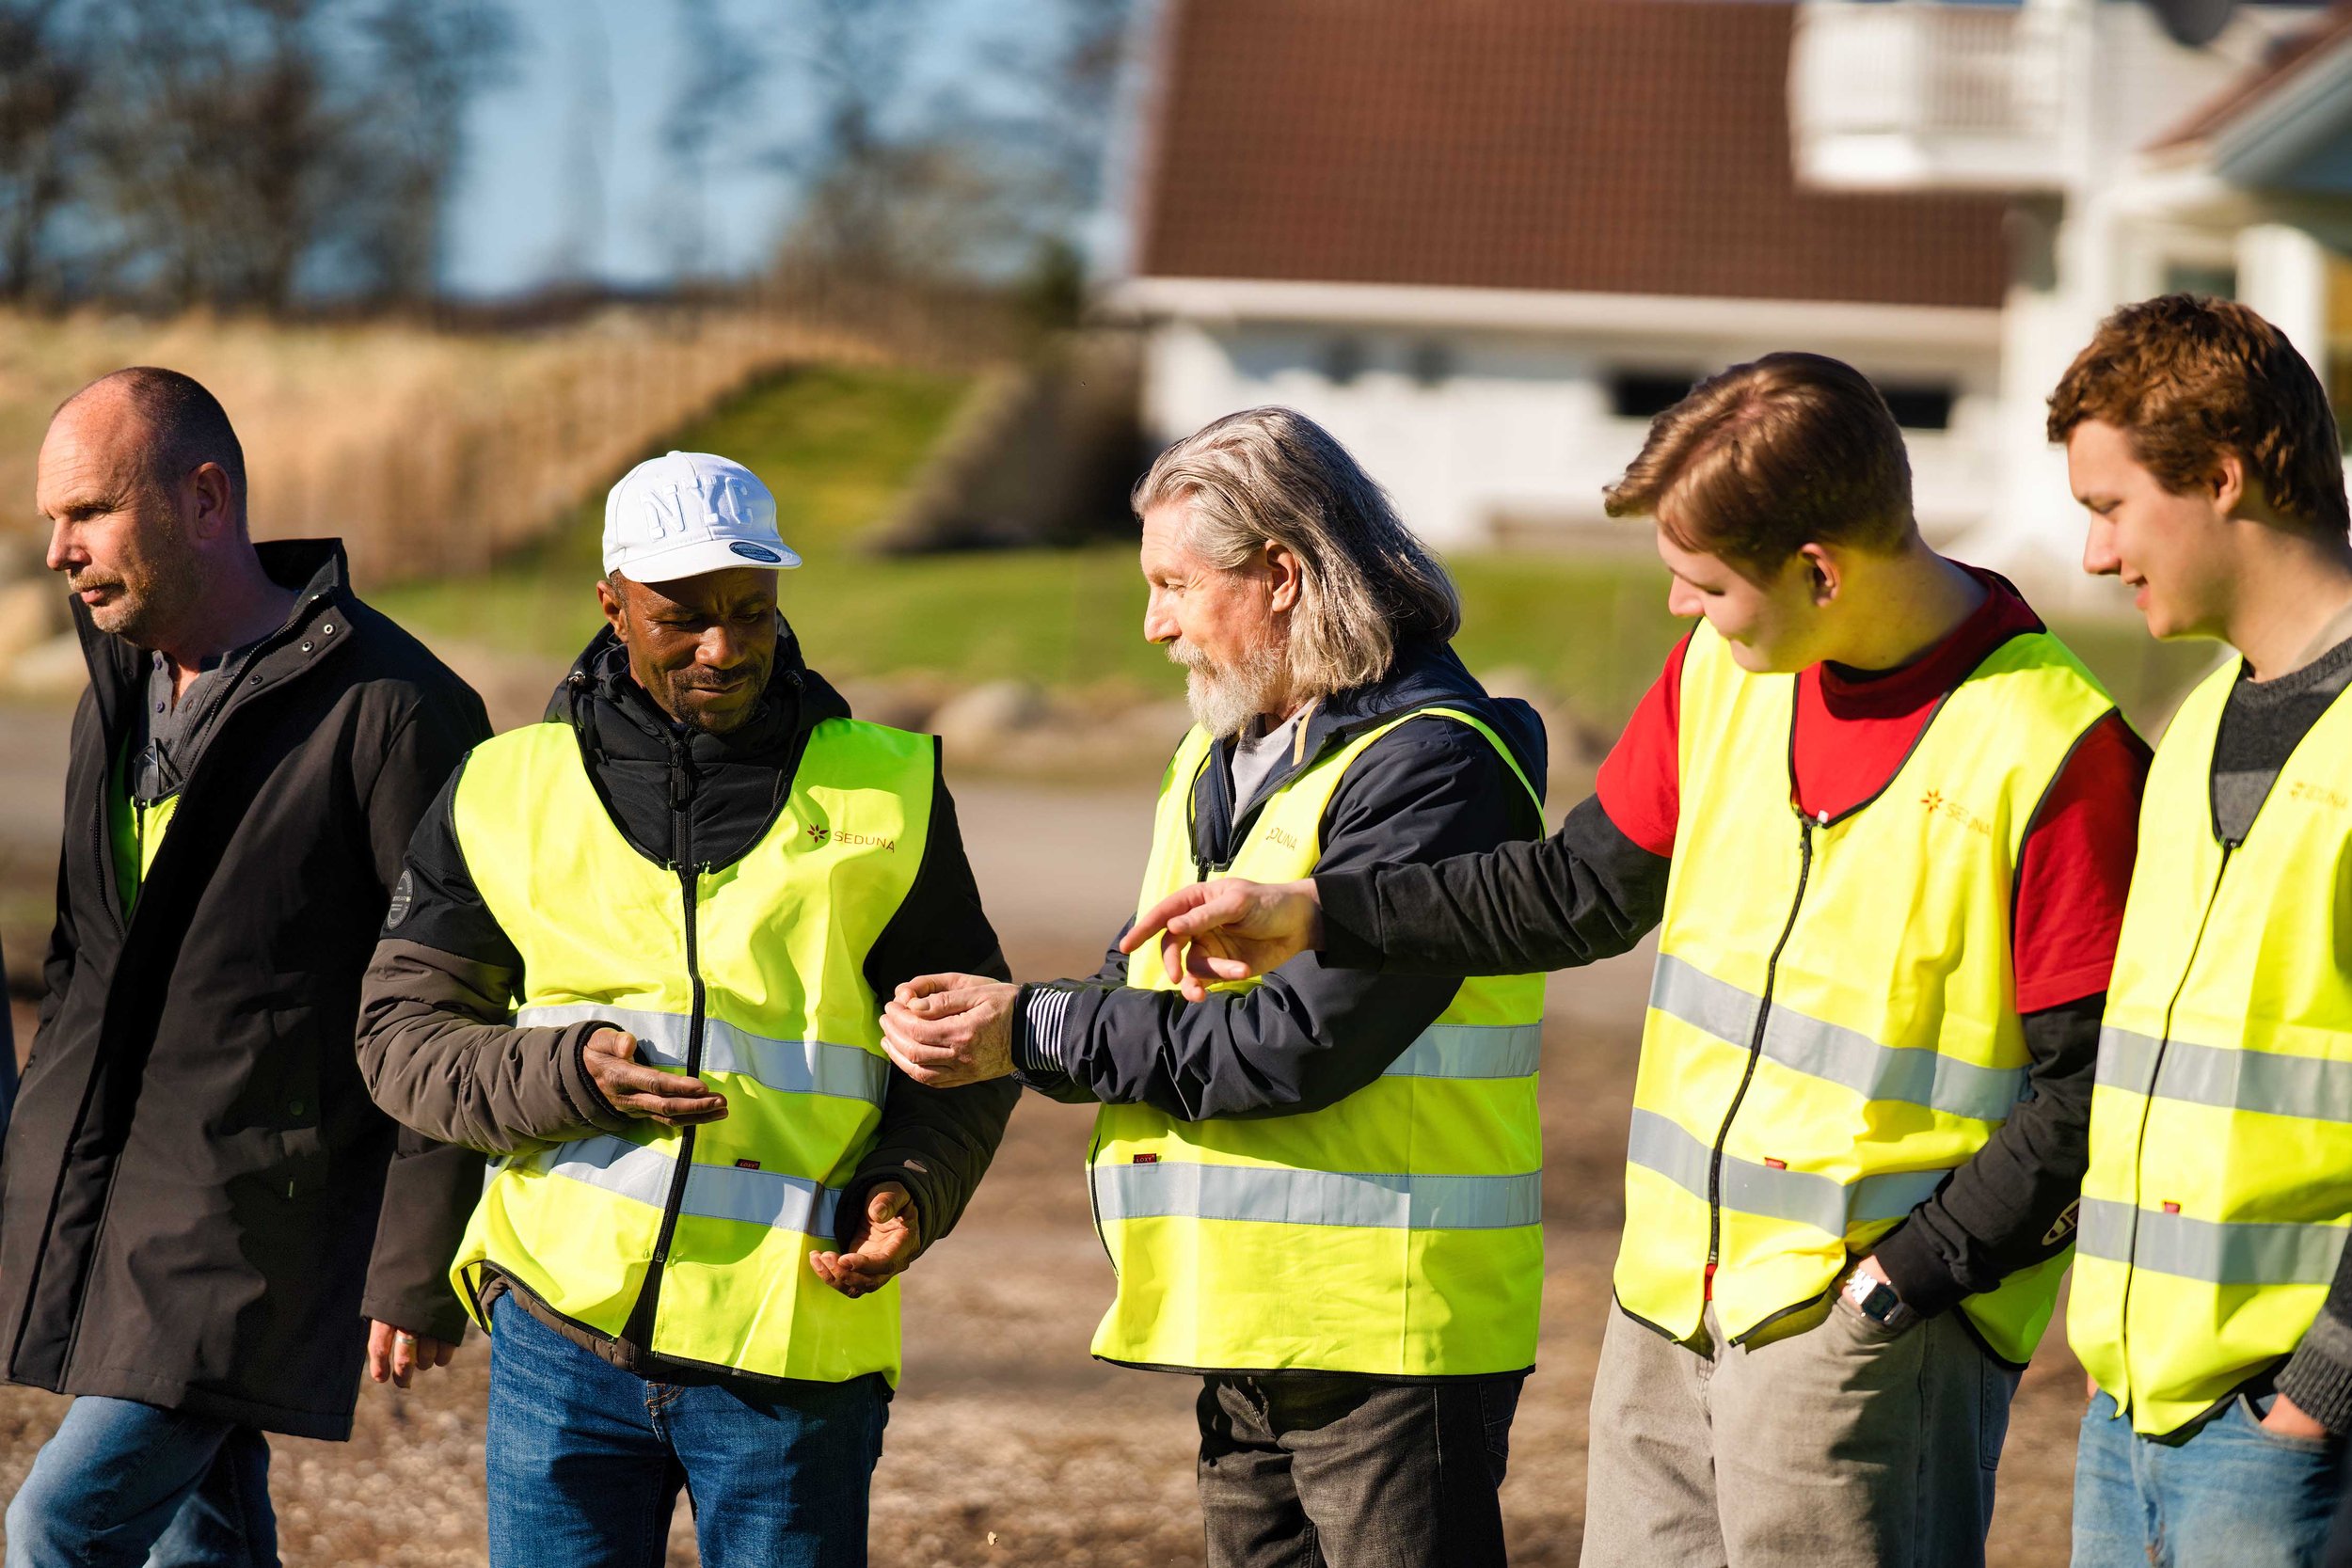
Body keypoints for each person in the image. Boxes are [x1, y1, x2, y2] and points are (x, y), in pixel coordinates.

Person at [1117, 357, 2151, 1568]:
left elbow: (2095, 1090)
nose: (1678, 612)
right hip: (1664, 1314)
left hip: (1863, 1343)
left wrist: (1905, 1285)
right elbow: (1570, 895)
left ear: (1817, 571)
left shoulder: (2053, 747)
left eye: (1704, 584)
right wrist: (1317, 911)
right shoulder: (1722, 671)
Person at [879, 406, 1552, 1567]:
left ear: (1282, 575)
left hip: (1387, 1334)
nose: (1152, 624)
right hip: (1250, 1324)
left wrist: (1031, 1028)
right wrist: (1008, 1017)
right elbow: (1149, 978)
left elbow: (1294, 1043)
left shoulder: (1435, 766)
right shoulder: (1221, 747)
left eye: (1174, 584)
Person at [356, 450, 1017, 1568]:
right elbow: (401, 1038)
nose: (724, 645)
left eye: (751, 611)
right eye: (684, 616)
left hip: (795, 1354)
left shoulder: (888, 789)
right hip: (560, 1340)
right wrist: (565, 1075)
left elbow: (969, 1045)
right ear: (612, 604)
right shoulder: (503, 788)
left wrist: (914, 1184)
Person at [2, 368, 490, 1566]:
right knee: (202, 1547)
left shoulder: (397, 709)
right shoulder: (114, 693)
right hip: (113, 1203)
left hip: (253, 1225)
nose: (59, 552)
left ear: (206, 498)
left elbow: (457, 988)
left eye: (90, 513)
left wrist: (420, 1253)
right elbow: (81, 961)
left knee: (55, 1526)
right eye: (51, 522)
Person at [2046, 295, 2352, 1568]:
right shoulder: (2192, 728)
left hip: (2290, 1439)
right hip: (2129, 1418)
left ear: (2223, 476)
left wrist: (2318, 1394)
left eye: (2111, 507)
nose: (2096, 555)